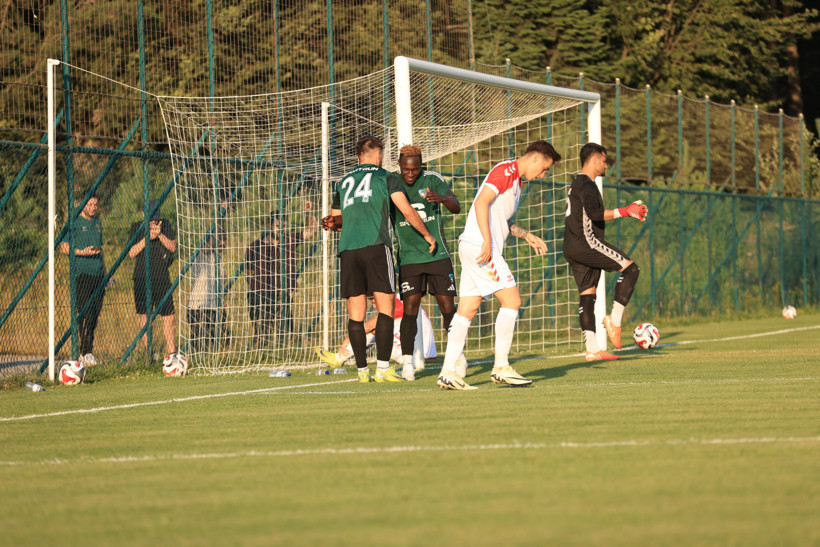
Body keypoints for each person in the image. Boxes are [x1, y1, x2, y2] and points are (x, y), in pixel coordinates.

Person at [437, 140, 561, 390]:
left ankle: (448, 371)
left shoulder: (515, 182)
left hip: (474, 245)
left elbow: (500, 219)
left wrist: (526, 235)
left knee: (467, 310)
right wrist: (486, 240)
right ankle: (501, 367)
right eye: (545, 168)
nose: (543, 174)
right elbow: (481, 202)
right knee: (512, 300)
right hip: (482, 248)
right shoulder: (506, 171)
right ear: (536, 158)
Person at [321, 135, 435, 384]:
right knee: (385, 309)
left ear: (358, 155)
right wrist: (427, 234)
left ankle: (362, 372)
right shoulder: (386, 177)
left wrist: (330, 223)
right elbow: (406, 209)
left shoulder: (343, 182)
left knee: (356, 313)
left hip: (348, 250)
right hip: (375, 246)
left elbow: (338, 221)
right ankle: (382, 368)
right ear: (378, 155)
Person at [562, 142, 647, 361]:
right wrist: (626, 211)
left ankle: (592, 350)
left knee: (588, 296)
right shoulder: (588, 184)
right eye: (604, 160)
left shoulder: (576, 183)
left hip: (571, 246)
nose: (606, 165)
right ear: (596, 158)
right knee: (631, 269)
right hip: (586, 242)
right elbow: (595, 214)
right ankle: (615, 321)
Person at [392, 144, 461, 381]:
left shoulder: (433, 179)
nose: (410, 174)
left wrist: (442, 198)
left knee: (448, 309)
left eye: (415, 170)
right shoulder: (392, 181)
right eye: (406, 170)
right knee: (409, 311)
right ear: (400, 166)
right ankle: (408, 363)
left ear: (421, 166)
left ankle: (457, 358)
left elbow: (456, 207)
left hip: (438, 255)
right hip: (409, 258)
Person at [245, 209, 318, 342]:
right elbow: (248, 271)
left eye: (284, 226)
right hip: (260, 294)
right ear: (269, 225)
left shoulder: (289, 241)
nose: (281, 230)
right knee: (261, 335)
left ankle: (285, 351)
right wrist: (255, 287)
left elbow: (312, 230)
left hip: (281, 294)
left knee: (285, 335)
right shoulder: (255, 246)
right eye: (278, 226)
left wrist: (308, 214)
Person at [316, 294, 436, 368]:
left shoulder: (396, 303)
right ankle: (339, 358)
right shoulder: (402, 299)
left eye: (374, 302)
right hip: (419, 351)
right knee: (378, 329)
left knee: (378, 327)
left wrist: (350, 337)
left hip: (415, 353)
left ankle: (339, 358)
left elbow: (371, 325)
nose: (374, 306)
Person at [59, 195, 106, 366]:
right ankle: (83, 352)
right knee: (86, 312)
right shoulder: (74, 223)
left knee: (95, 313)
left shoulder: (98, 224)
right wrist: (81, 252)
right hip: (82, 274)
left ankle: (89, 351)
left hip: (98, 275)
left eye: (96, 204)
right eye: (90, 204)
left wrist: (105, 273)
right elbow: (64, 247)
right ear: (83, 205)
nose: (93, 207)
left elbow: (101, 252)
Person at [128, 200, 177, 358]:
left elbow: (173, 247)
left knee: (169, 316)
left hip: (162, 276)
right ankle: (150, 353)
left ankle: (172, 353)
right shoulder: (136, 228)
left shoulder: (166, 225)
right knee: (145, 316)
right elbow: (132, 252)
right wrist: (147, 238)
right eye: (151, 219)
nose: (154, 221)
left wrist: (159, 234)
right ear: (143, 215)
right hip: (142, 277)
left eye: (156, 218)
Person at [187, 233, 225, 352]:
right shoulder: (199, 255)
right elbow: (205, 248)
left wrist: (222, 303)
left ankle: (221, 356)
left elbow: (221, 284)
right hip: (198, 306)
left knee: (222, 338)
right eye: (219, 240)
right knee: (199, 343)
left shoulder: (219, 259)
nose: (222, 244)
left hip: (214, 306)